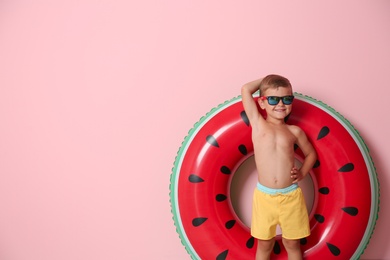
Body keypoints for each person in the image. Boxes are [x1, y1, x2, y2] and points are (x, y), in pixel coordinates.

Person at [241, 74, 317, 260]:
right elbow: (245, 89)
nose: (281, 104)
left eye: (287, 99)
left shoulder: (294, 131)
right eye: (274, 99)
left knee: (292, 243)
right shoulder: (258, 124)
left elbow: (311, 154)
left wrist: (302, 172)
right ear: (262, 103)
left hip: (291, 196)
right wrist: (267, 80)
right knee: (264, 244)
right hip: (264, 197)